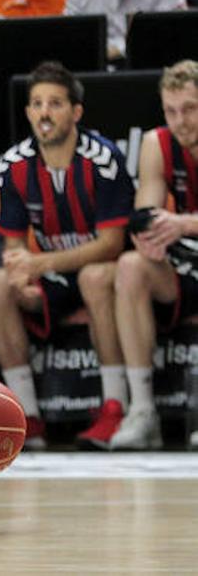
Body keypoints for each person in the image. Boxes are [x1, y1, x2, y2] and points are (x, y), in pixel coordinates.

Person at [0, 62, 133, 450]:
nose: (44, 113)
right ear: (28, 112)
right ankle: (27, 416)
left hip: (97, 268)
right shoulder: (13, 164)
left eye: (55, 103)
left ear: (76, 112)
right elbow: (13, 243)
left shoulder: (104, 158)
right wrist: (21, 274)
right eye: (36, 104)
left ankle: (114, 406)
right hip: (49, 271)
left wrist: (40, 264)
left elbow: (112, 243)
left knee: (95, 276)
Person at [110, 60, 198, 450]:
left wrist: (181, 224)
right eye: (172, 110)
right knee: (130, 266)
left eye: (191, 109)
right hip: (185, 264)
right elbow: (146, 211)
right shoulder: (155, 143)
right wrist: (150, 235)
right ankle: (143, 411)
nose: (181, 121)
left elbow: (177, 222)